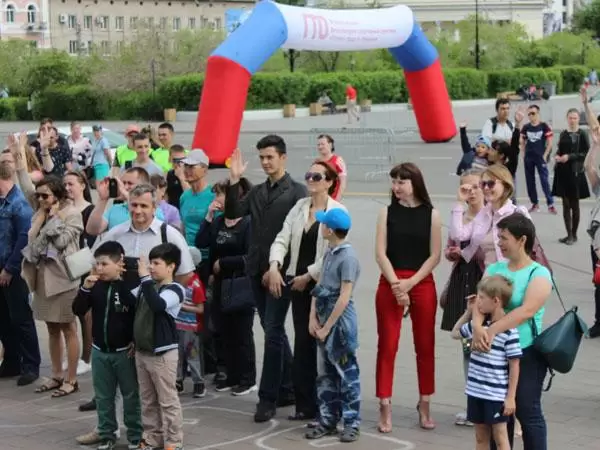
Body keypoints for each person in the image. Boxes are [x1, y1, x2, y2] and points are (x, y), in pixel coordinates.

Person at [225, 136, 308, 422]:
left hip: (280, 273)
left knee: (272, 332)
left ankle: (268, 397)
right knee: (272, 329)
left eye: (270, 157)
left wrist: (281, 268)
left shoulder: (297, 192)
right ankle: (289, 387)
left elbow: (299, 236)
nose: (265, 162)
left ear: (283, 157)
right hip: (256, 269)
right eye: (261, 157)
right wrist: (234, 180)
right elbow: (233, 212)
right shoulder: (258, 191)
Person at [268, 161, 343, 421]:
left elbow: (334, 250)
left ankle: (331, 405)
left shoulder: (337, 211)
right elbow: (282, 238)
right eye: (309, 174)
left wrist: (309, 275)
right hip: (296, 282)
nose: (310, 179)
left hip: (323, 286)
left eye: (317, 176)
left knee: (324, 345)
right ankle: (305, 404)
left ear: (330, 182)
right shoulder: (300, 207)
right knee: (303, 343)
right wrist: (275, 264)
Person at [470, 213, 552, 450]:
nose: (499, 243)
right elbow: (480, 302)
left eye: (504, 238)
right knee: (497, 415)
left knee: (527, 410)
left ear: (522, 240)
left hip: (526, 352)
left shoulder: (539, 273)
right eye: (499, 237)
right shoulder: (495, 268)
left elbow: (527, 311)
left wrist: (492, 330)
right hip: (494, 355)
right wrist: (477, 326)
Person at [374, 162, 442, 433]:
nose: (396, 187)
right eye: (393, 181)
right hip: (391, 280)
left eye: (401, 182)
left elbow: (434, 255)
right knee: (387, 345)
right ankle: (384, 404)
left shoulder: (432, 214)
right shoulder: (386, 212)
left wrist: (410, 284)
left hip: (421, 280)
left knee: (425, 346)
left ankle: (425, 403)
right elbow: (380, 253)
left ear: (415, 183)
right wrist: (396, 285)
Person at [72, 241, 143, 450]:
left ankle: (135, 436)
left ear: (119, 263)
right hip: (100, 351)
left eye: (104, 264)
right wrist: (85, 288)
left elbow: (138, 315)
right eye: (97, 264)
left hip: (124, 352)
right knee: (103, 396)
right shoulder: (95, 286)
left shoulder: (130, 285)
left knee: (131, 396)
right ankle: (106, 434)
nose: (99, 269)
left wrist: (135, 341)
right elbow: (78, 310)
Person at [22, 177, 83, 397]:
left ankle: (71, 379)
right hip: (42, 279)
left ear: (57, 196)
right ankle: (56, 375)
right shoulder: (39, 214)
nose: (40, 199)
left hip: (64, 279)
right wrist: (42, 220)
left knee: (68, 327)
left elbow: (61, 242)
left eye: (45, 195)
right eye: (38, 195)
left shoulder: (72, 214)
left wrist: (54, 219)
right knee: (51, 328)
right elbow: (32, 245)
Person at [304, 208, 361, 443]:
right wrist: (313, 317)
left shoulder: (348, 257)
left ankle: (352, 422)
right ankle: (327, 418)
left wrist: (327, 327)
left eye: (323, 224)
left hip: (340, 325)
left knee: (347, 375)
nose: (321, 227)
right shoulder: (329, 252)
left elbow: (344, 296)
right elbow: (319, 286)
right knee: (325, 374)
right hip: (323, 319)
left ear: (329, 229)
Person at [196, 179, 255, 395]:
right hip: (220, 283)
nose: (217, 199)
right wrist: (209, 216)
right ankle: (230, 374)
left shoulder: (248, 223)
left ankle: (247, 378)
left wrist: (224, 263)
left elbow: (250, 256)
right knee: (223, 331)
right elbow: (202, 242)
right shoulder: (219, 221)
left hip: (239, 283)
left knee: (242, 333)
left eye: (220, 194)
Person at [452, 275, 521, 450]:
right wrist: (468, 312)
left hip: (495, 395)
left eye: (482, 298)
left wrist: (511, 397)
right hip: (475, 391)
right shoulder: (478, 327)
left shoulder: (509, 332)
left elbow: (514, 365)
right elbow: (455, 333)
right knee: (480, 437)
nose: (478, 302)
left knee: (500, 437)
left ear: (496, 301)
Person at [440, 170, 485, 427]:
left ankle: (485, 404)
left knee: (485, 344)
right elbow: (451, 243)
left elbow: (484, 248)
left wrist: (466, 252)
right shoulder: (459, 213)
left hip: (483, 280)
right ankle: (473, 406)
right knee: (467, 344)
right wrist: (452, 253)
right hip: (462, 279)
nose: (472, 192)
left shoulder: (489, 215)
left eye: (476, 186)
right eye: (466, 188)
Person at [132, 243, 186, 450]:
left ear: (171, 267)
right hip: (142, 351)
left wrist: (144, 278)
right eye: (150, 263)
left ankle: (173, 441)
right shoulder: (146, 286)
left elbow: (158, 305)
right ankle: (151, 437)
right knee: (147, 400)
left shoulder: (175, 290)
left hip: (162, 354)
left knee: (167, 400)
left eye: (156, 263)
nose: (151, 267)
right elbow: (128, 300)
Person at [0, 161, 40, 386]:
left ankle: (31, 364)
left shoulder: (18, 203)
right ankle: (12, 361)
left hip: (13, 271)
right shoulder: (3, 202)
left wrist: (9, 269)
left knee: (21, 318)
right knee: (4, 319)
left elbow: (24, 239)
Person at [64, 170, 95, 376]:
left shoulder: (89, 209)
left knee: (85, 313)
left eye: (71, 184)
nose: (67, 188)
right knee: (68, 312)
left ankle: (87, 357)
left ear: (83, 185)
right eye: (65, 184)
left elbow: (92, 240)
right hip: (64, 265)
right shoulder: (63, 208)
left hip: (83, 262)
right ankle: (73, 354)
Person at [552, 108, 590, 245]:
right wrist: (557, 156)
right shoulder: (563, 133)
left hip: (575, 172)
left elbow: (586, 153)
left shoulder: (582, 134)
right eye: (570, 118)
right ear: (567, 119)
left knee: (574, 204)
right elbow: (560, 149)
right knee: (565, 204)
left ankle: (574, 234)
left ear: (578, 119)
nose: (572, 120)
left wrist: (570, 157)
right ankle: (568, 234)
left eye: (575, 118)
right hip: (563, 172)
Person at [175, 247, 206, 398]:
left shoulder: (195, 285)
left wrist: (182, 306)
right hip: (177, 325)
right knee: (177, 356)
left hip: (190, 328)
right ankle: (178, 381)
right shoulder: (178, 281)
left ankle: (198, 382)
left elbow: (200, 309)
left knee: (192, 355)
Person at [583, 102, 600, 338]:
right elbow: (588, 167)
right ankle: (598, 322)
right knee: (599, 280)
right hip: (598, 236)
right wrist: (595, 146)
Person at [520, 105, 556, 214]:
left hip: (540, 158)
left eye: (533, 113)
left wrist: (545, 155)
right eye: (529, 114)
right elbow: (522, 141)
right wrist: (523, 154)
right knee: (530, 181)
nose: (531, 116)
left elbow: (550, 143)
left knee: (544, 180)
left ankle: (550, 204)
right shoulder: (526, 127)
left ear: (538, 113)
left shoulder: (544, 126)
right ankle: (535, 204)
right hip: (529, 157)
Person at [179, 150, 214, 250]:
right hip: (188, 253)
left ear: (205, 169)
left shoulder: (213, 195)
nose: (187, 170)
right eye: (186, 166)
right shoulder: (184, 197)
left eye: (191, 166)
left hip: (207, 254)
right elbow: (183, 226)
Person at [316, 135, 347, 200]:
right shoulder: (317, 161)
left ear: (330, 145)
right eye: (318, 145)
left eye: (322, 144)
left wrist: (337, 200)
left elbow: (342, 182)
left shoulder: (338, 160)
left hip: (333, 199)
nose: (320, 147)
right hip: (319, 199)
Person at [165, 144, 190, 209]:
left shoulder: (191, 174)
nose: (180, 164)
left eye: (182, 160)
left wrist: (181, 178)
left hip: (186, 210)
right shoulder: (169, 174)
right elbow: (167, 195)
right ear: (170, 159)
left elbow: (191, 196)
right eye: (176, 161)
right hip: (173, 210)